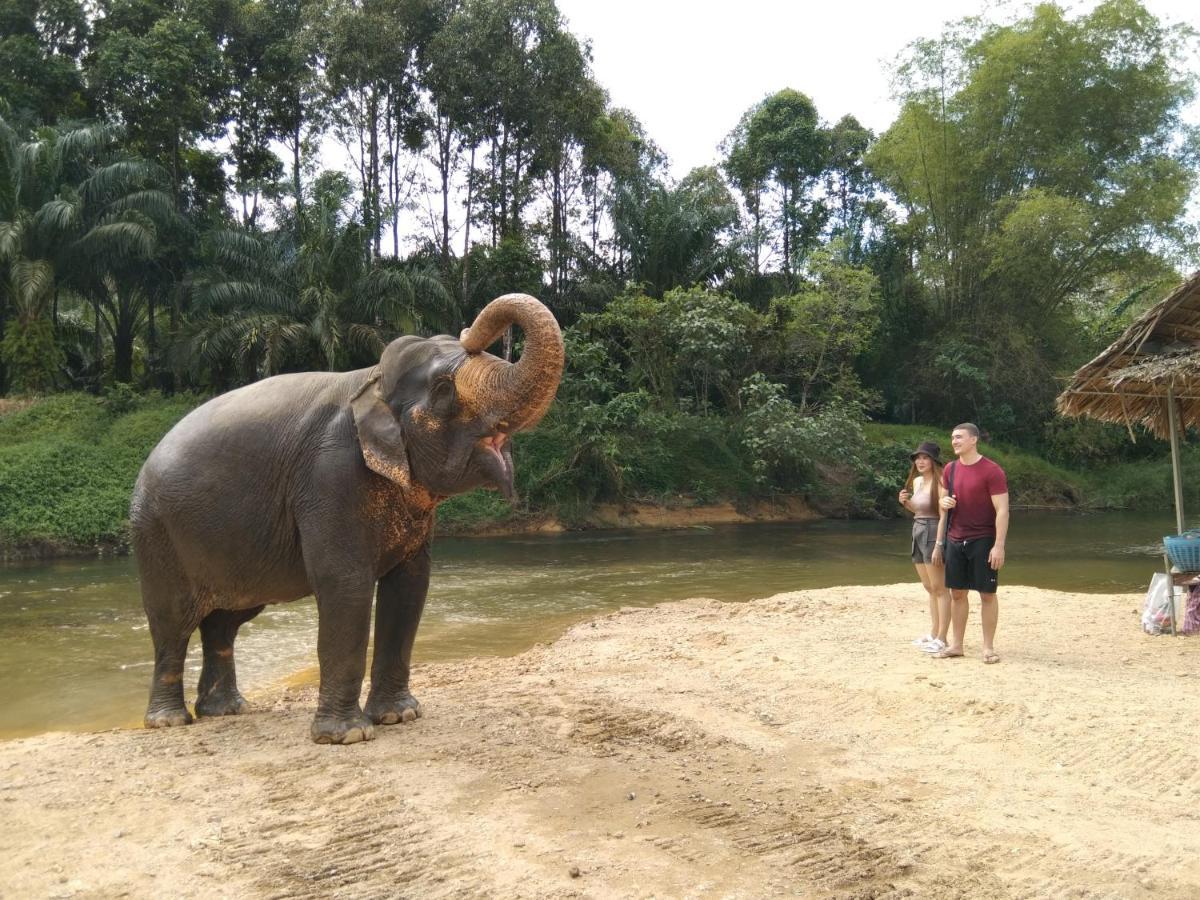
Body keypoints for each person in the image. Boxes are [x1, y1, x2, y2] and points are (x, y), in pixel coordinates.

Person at [932, 423, 1009, 664]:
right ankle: (957, 645)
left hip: (983, 539)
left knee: (987, 594)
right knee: (957, 594)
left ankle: (988, 647)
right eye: (952, 437)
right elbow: (942, 503)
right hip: (955, 538)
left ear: (973, 440)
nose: (954, 441)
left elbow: (1003, 510)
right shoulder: (950, 469)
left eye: (958, 437)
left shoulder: (992, 470)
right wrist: (943, 506)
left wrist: (998, 545)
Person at [897, 441, 951, 653]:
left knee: (940, 588)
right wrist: (905, 503)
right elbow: (918, 510)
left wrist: (939, 544)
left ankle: (942, 638)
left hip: (933, 531)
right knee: (929, 588)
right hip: (918, 529)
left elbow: (943, 515)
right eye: (917, 458)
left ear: (933, 461)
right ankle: (933, 632)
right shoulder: (918, 482)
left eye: (925, 457)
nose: (920, 461)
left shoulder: (940, 483)